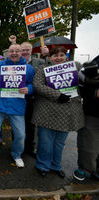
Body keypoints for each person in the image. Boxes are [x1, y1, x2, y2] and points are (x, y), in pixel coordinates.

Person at [32, 46, 84, 177]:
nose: (59, 58)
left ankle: (56, 165)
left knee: (60, 143)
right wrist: (57, 95)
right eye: (55, 55)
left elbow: (83, 83)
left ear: (66, 56)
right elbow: (37, 85)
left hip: (66, 113)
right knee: (45, 142)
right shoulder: (43, 69)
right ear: (50, 57)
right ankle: (43, 165)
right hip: (47, 112)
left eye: (62, 55)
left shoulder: (74, 68)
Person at [0, 37, 35, 168]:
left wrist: (28, 89)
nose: (14, 53)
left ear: (21, 52)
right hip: (0, 105)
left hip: (17, 107)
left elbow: (32, 85)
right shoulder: (1, 65)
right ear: (8, 53)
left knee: (21, 135)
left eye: (17, 51)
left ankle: (16, 154)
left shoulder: (28, 68)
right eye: (12, 51)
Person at [73, 61, 99, 181]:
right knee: (88, 142)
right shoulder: (93, 63)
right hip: (92, 112)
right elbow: (79, 86)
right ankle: (86, 169)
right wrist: (93, 92)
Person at [20, 41, 45, 157]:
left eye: (27, 50)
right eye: (23, 50)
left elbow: (50, 68)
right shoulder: (15, 62)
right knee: (18, 124)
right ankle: (18, 147)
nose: (25, 52)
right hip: (17, 98)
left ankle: (30, 147)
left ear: (31, 51)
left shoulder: (39, 62)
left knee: (30, 124)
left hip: (32, 98)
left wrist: (47, 55)